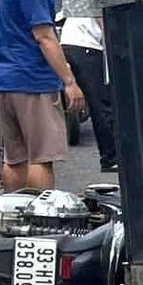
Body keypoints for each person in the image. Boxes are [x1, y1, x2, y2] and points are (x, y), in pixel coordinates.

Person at [0, 0, 85, 191]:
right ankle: (40, 224)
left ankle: (13, 222)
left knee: (14, 158)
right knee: (41, 159)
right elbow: (45, 37)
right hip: (33, 81)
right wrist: (70, 82)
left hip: (5, 81)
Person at [60, 15, 116, 172]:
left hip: (67, 43)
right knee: (102, 104)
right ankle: (110, 158)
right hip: (87, 47)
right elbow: (102, 18)